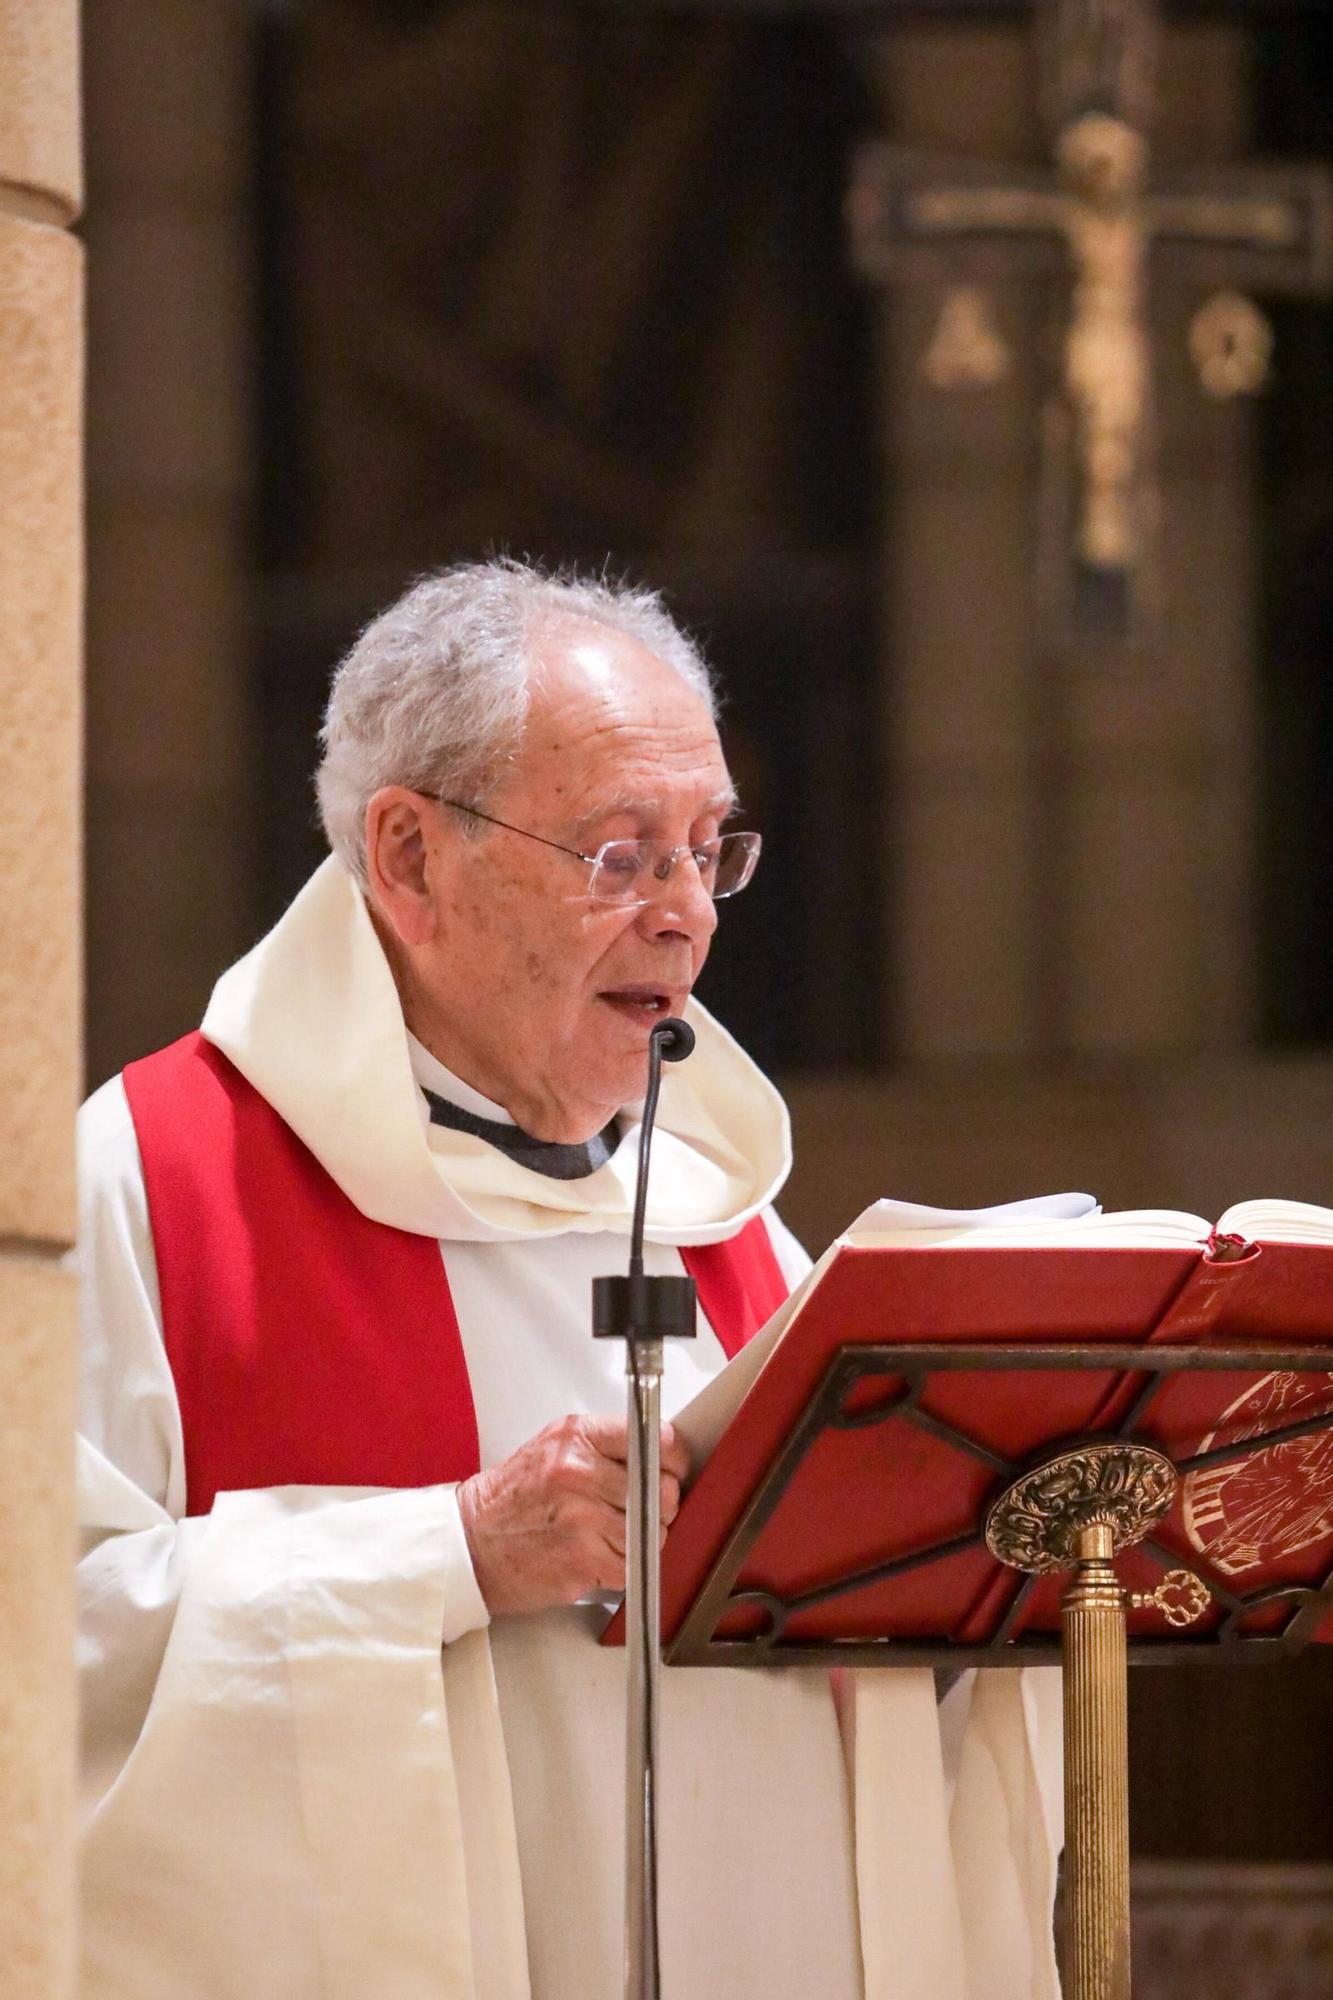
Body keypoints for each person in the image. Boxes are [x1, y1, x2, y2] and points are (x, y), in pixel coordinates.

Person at [77, 559, 1062, 1999]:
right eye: (619, 853)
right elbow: (50, 1654)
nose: (686, 915)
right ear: (409, 858)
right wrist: (453, 1551)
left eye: (708, 849)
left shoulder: (727, 1217)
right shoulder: (151, 1186)